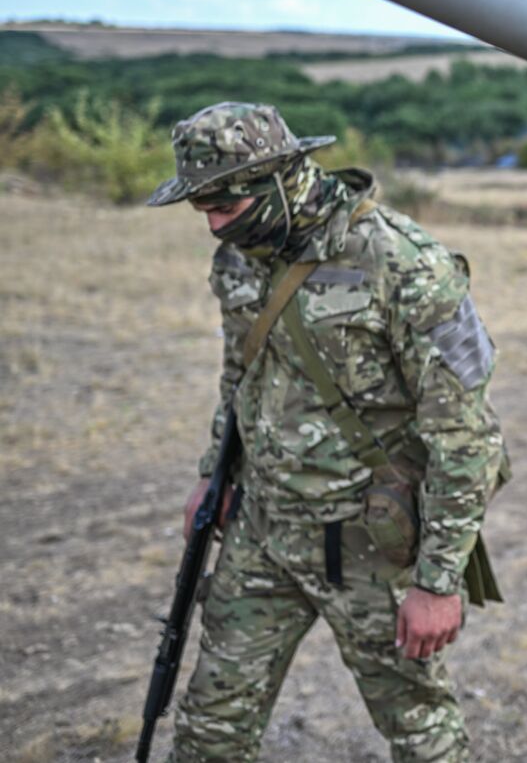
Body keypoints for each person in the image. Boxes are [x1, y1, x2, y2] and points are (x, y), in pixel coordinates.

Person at [146, 102, 508, 762]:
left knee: (419, 730)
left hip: (368, 542)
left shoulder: (406, 263)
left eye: (225, 202)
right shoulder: (240, 257)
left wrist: (437, 580)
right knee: (209, 727)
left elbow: (466, 435)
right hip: (262, 528)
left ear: (284, 176)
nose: (214, 223)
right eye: (201, 207)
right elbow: (241, 372)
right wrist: (213, 472)